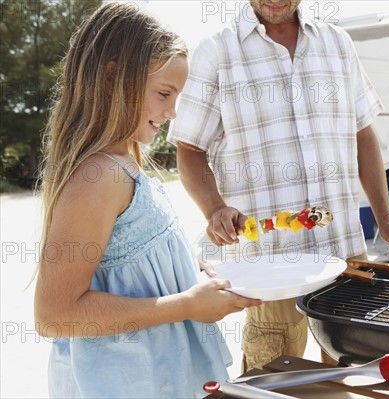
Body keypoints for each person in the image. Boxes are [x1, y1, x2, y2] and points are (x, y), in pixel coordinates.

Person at [168, 0, 389, 372]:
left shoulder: (337, 44)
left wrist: (386, 221)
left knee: (351, 378)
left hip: (345, 254)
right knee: (273, 382)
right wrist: (214, 208)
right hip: (270, 268)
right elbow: (190, 148)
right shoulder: (216, 51)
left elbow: (363, 135)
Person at [33, 4, 261, 398]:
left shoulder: (126, 161)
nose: (172, 112)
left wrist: (195, 273)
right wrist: (187, 306)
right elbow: (55, 315)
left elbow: (137, 264)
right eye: (163, 93)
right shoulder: (99, 176)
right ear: (112, 76)